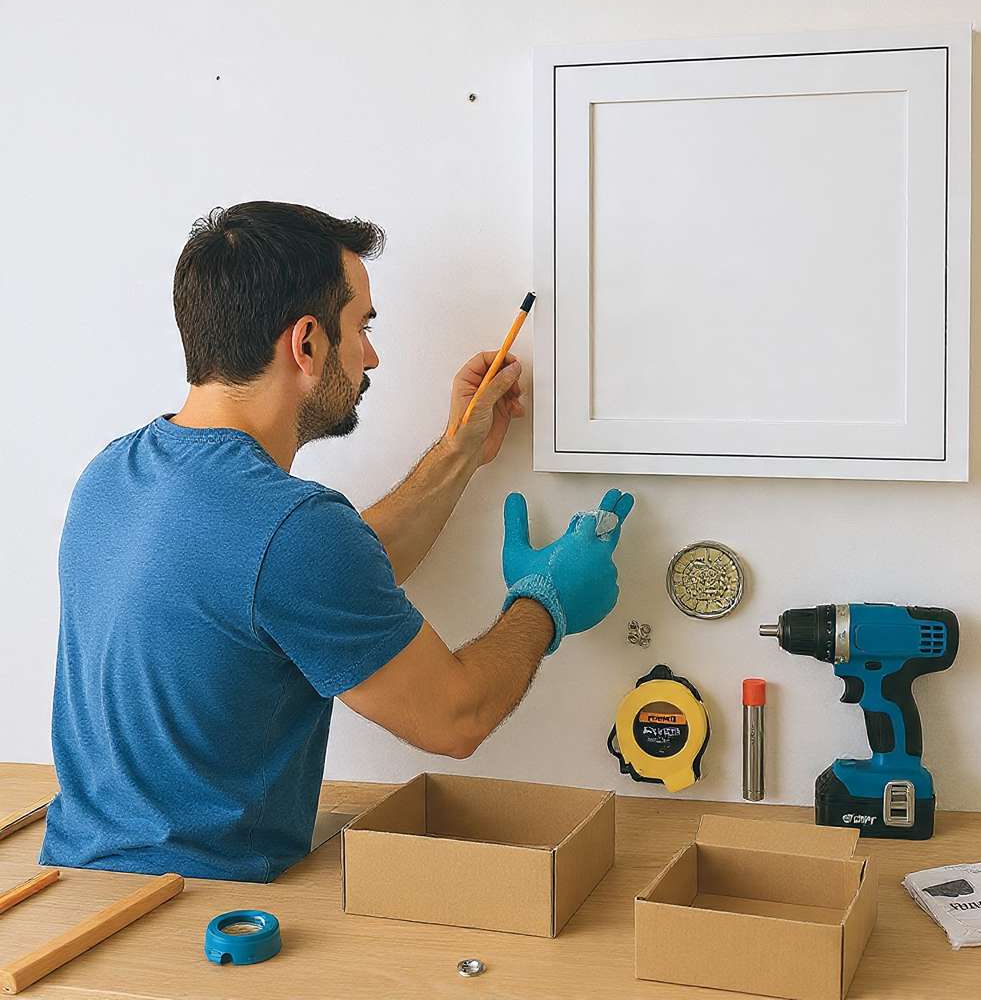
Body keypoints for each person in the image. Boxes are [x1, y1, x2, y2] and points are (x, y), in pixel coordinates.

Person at [40, 201, 633, 883]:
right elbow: (456, 717)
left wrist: (458, 452)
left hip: (79, 882)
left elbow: (305, 585)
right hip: (197, 913)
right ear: (308, 344)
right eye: (363, 326)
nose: (372, 355)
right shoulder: (291, 531)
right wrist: (546, 603)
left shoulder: (115, 473)